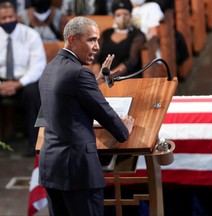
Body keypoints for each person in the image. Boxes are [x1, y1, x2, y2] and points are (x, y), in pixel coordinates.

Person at [38, 16, 134, 215]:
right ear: (72, 39)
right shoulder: (80, 74)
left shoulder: (50, 69)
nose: (97, 47)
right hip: (78, 172)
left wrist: (95, 82)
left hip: (52, 168)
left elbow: (67, 102)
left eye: (98, 40)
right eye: (91, 40)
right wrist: (125, 129)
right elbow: (108, 118)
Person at [0, 0, 46, 156]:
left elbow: (38, 66)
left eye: (10, 17)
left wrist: (18, 83)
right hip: (2, 81)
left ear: (17, 16)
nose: (7, 21)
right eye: (3, 18)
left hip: (25, 81)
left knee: (33, 93)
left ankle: (34, 143)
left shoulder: (30, 34)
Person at [91, 0, 146, 78]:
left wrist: (111, 74)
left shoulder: (137, 35)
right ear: (114, 16)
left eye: (125, 14)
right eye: (118, 15)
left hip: (127, 79)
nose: (122, 17)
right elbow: (96, 56)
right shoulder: (106, 33)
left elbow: (132, 60)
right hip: (103, 79)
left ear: (130, 15)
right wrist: (98, 75)